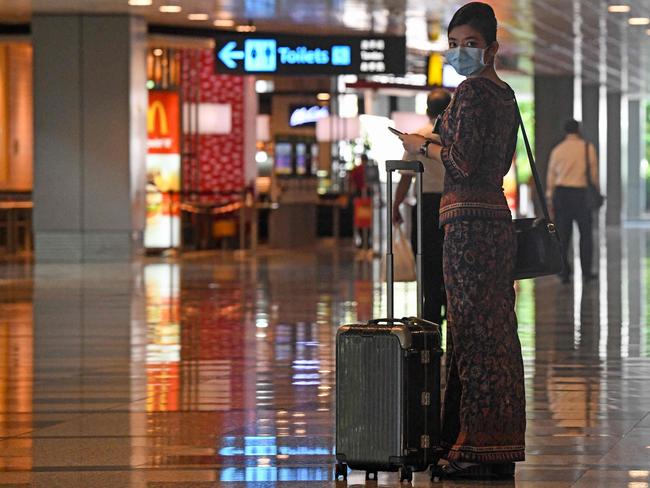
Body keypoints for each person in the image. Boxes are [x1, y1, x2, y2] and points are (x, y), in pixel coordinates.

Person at [399, 2, 525, 479]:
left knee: (472, 335)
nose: (459, 53)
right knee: (494, 332)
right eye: (453, 45)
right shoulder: (506, 93)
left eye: (469, 44)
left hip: (468, 227)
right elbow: (497, 162)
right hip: (495, 219)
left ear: (491, 48)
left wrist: (424, 146)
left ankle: (473, 446)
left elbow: (464, 164)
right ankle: (490, 442)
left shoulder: (472, 92)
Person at [392, 88, 451, 326]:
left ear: (427, 111)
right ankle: (452, 309)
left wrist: (396, 205)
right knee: (451, 261)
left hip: (426, 207)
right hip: (452, 206)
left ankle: (431, 317)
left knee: (427, 263)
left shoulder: (417, 139)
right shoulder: (455, 139)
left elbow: (406, 176)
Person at [546, 119, 599, 283]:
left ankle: (564, 272)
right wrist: (597, 190)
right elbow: (594, 173)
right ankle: (586, 271)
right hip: (580, 195)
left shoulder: (557, 150)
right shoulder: (586, 148)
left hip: (561, 195)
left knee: (562, 235)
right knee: (586, 235)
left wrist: (549, 197)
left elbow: (551, 176)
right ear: (578, 130)